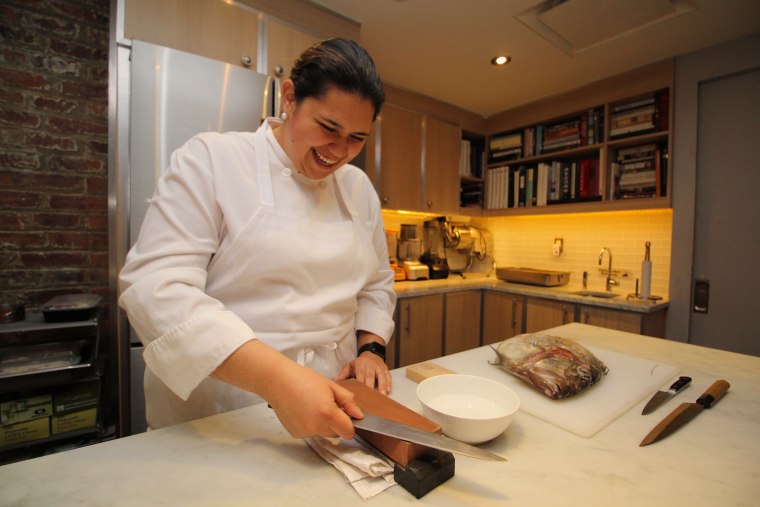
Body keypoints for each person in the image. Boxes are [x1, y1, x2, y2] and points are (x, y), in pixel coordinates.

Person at [119, 38, 395, 440]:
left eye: (357, 138)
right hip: (221, 414)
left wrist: (371, 349)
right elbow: (156, 288)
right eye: (328, 127)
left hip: (331, 406)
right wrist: (279, 380)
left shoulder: (358, 188)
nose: (339, 151)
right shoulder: (211, 160)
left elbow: (376, 283)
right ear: (289, 97)